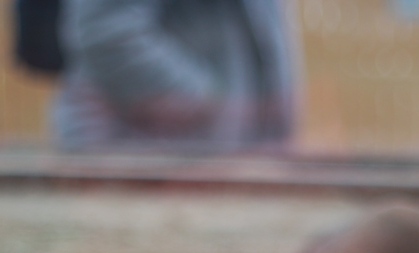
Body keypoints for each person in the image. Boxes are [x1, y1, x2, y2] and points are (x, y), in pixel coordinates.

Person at [51, 0, 295, 152]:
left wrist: (270, 130)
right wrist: (212, 105)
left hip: (225, 161)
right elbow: (106, 33)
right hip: (142, 165)